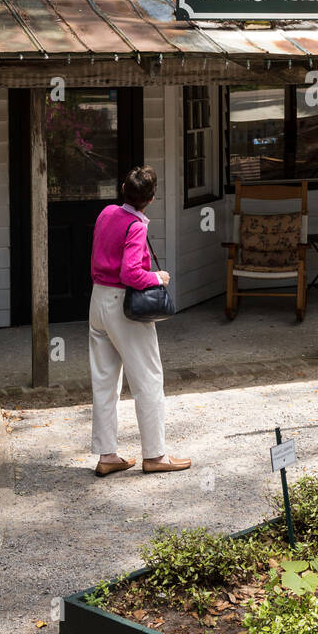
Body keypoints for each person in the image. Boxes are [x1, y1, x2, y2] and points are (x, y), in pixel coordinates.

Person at [88, 165, 191, 476]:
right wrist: (157, 278)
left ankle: (107, 455)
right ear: (152, 199)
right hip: (124, 307)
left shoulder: (106, 214)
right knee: (147, 379)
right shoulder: (136, 226)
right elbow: (130, 273)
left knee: (104, 381)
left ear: (122, 188)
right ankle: (156, 455)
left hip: (98, 300)